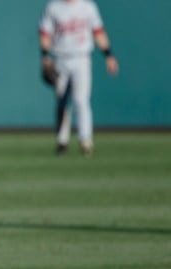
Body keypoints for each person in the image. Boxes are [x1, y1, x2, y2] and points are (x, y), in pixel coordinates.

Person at [38, 0, 119, 156]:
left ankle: (85, 139)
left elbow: (98, 31)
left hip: (82, 58)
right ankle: (62, 140)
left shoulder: (88, 7)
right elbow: (45, 32)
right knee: (61, 101)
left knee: (81, 100)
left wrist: (108, 55)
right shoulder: (54, 7)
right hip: (60, 58)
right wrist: (45, 56)